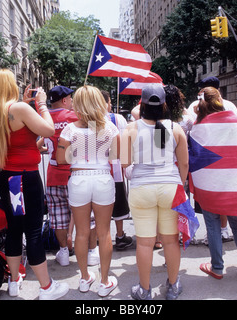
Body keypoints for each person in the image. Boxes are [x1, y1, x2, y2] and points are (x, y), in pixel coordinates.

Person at [0, 69, 68, 300]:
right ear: (9, 86)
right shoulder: (18, 109)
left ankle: (15, 280)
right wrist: (42, 104)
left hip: (5, 175)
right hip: (25, 177)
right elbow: (48, 130)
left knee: (14, 229)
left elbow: (14, 140)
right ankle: (46, 288)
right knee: (34, 231)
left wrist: (29, 106)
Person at [121, 83, 189, 300]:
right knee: (170, 240)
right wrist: (181, 185)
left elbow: (124, 162)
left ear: (141, 103)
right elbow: (184, 164)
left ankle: (144, 289)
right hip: (170, 187)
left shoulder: (130, 129)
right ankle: (173, 285)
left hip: (142, 188)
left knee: (144, 242)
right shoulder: (175, 129)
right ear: (164, 104)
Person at [190, 87, 237, 280]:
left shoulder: (198, 126)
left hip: (209, 185)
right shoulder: (235, 122)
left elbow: (195, 160)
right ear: (220, 99)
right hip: (233, 182)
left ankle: (217, 267)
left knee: (213, 225)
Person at [56, 85, 119, 297]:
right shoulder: (110, 128)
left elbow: (60, 159)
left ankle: (84, 279)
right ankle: (104, 281)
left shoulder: (69, 129)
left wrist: (79, 155)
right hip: (102, 177)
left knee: (81, 232)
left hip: (79, 179)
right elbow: (121, 157)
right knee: (104, 232)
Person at [37, 85, 78, 266]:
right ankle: (90, 251)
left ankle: (63, 252)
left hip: (53, 175)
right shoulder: (73, 117)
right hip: (74, 173)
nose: (71, 101)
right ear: (64, 100)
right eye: (70, 98)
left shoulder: (43, 119)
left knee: (59, 217)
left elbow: (38, 143)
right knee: (84, 215)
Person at [101, 90, 133, 251]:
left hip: (99, 169)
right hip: (116, 168)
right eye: (110, 102)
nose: (111, 104)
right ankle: (119, 235)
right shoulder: (118, 118)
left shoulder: (90, 120)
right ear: (105, 102)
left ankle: (101, 237)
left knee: (101, 205)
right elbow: (126, 141)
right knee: (118, 203)